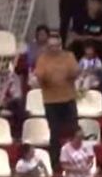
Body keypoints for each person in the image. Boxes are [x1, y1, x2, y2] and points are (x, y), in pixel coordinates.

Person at [34, 31, 80, 167]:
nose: (54, 49)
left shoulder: (69, 56)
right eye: (51, 46)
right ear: (47, 46)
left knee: (74, 130)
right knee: (54, 132)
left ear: (61, 45)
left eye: (57, 46)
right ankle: (55, 163)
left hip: (68, 99)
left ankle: (75, 159)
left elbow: (74, 72)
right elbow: (41, 76)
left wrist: (58, 75)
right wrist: (55, 75)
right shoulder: (42, 59)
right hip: (51, 101)